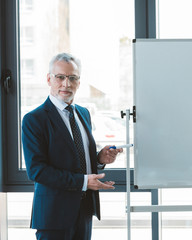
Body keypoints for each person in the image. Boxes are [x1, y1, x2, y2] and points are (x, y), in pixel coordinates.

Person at [22, 53, 122, 240]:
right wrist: (83, 182)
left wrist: (99, 159)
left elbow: (79, 159)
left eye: (72, 78)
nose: (66, 84)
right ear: (49, 79)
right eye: (60, 77)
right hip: (53, 216)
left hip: (84, 211)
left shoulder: (84, 113)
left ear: (78, 82)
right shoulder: (34, 119)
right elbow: (37, 171)